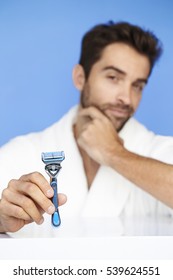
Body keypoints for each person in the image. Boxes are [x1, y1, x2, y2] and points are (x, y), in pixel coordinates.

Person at [1, 21, 173, 237]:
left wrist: (114, 153)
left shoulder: (160, 152)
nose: (126, 98)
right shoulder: (21, 153)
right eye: (113, 78)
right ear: (80, 77)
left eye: (137, 85)